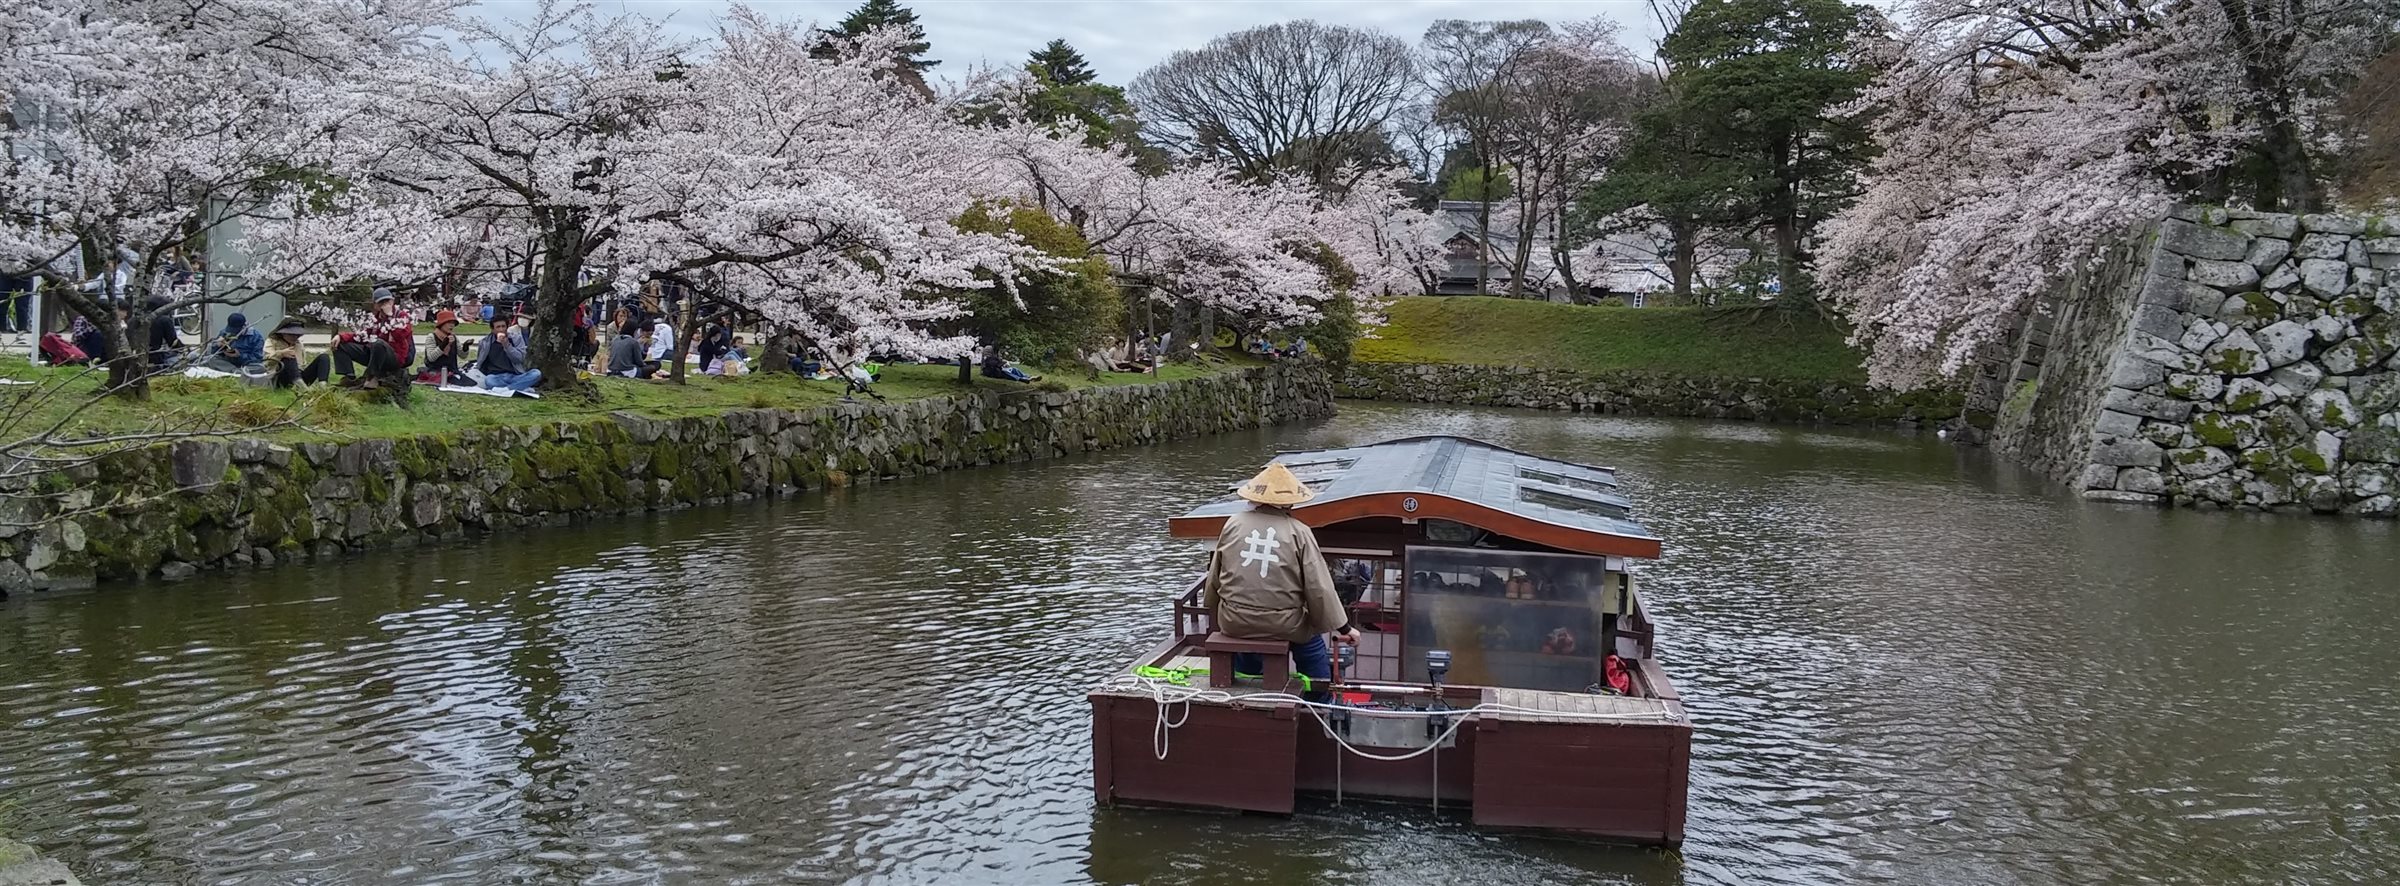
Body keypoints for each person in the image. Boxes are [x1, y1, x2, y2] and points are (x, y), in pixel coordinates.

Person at [1201, 462, 1354, 698]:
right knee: (1312, 645)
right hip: (1284, 623)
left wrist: (1210, 604)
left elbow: (1215, 576)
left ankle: (1246, 684)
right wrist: (1345, 628)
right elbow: (1319, 588)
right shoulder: (1299, 531)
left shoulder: (1233, 523)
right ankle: (1319, 698)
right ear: (1289, 502)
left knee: (1246, 636)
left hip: (1234, 619)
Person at [335, 288, 412, 385]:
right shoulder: (375, 318)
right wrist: (341, 337)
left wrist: (390, 317)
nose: (384, 305)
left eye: (387, 301)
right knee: (340, 345)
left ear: (392, 301)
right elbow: (363, 336)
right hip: (372, 353)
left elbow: (401, 335)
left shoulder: (402, 316)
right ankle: (348, 376)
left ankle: (372, 377)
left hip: (394, 357)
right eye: (381, 303)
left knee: (378, 343)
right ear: (375, 305)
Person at [478, 312, 542, 392]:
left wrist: (507, 345)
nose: (501, 329)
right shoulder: (485, 342)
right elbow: (480, 362)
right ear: (493, 329)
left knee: (536, 373)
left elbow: (519, 359)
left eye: (503, 326)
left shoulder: (516, 339)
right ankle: (520, 387)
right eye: (498, 327)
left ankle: (507, 389)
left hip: (515, 375)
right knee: (489, 380)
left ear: (507, 327)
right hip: (496, 376)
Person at [266, 318, 329, 389]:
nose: (295, 337)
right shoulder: (271, 341)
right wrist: (281, 354)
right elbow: (266, 363)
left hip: (299, 375)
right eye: (291, 334)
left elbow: (303, 364)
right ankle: (304, 390)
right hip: (280, 376)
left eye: (297, 335)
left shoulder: (298, 344)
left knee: (324, 357)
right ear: (283, 333)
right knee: (289, 356)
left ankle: (323, 387)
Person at [197, 312, 264, 373]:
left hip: (245, 364)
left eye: (236, 330)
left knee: (260, 368)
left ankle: (238, 371)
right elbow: (213, 353)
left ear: (244, 326)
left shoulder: (256, 337)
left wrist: (239, 356)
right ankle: (235, 371)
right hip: (228, 362)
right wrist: (218, 346)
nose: (233, 333)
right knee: (210, 359)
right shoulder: (225, 332)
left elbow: (257, 359)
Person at [416, 309, 465, 384]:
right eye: (449, 322)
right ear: (442, 324)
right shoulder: (432, 337)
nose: (452, 325)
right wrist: (443, 345)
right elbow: (431, 358)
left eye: (453, 323)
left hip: (452, 371)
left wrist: (466, 347)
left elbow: (463, 355)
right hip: (435, 370)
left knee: (469, 382)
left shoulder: (453, 337)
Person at [144, 295, 181, 368]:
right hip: (155, 358)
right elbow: (173, 342)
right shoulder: (164, 320)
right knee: (194, 355)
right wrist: (185, 350)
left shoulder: (135, 319)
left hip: (138, 356)